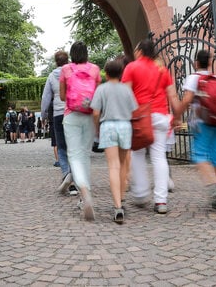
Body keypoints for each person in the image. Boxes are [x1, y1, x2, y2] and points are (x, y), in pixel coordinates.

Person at [121, 39, 181, 214]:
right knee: (159, 157)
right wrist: (177, 116)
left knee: (137, 154)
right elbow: (173, 95)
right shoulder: (162, 70)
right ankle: (161, 200)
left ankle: (140, 193)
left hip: (141, 117)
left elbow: (126, 95)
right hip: (161, 117)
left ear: (139, 51)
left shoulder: (131, 68)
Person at [172, 48, 216, 212]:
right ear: (210, 62)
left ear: (196, 63)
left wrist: (177, 115)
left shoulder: (194, 78)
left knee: (199, 155)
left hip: (202, 123)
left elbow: (187, 100)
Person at [90, 58, 137, 223]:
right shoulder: (126, 90)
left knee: (113, 166)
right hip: (125, 126)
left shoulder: (101, 89)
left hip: (108, 126)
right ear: (121, 73)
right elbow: (134, 110)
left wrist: (96, 128)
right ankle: (122, 198)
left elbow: (95, 113)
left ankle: (117, 206)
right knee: (124, 165)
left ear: (106, 73)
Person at [59, 41, 102, 221]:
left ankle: (84, 192)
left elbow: (62, 96)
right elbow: (98, 95)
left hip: (71, 115)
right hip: (89, 115)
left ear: (71, 54)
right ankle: (86, 195)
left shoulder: (66, 69)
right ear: (86, 53)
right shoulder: (95, 69)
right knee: (85, 155)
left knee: (74, 155)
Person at [42, 50, 75, 194]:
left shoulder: (51, 76)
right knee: (73, 148)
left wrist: (43, 114)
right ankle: (74, 180)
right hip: (73, 112)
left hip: (57, 114)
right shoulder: (73, 72)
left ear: (56, 62)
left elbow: (46, 97)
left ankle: (66, 174)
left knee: (61, 147)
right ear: (67, 60)